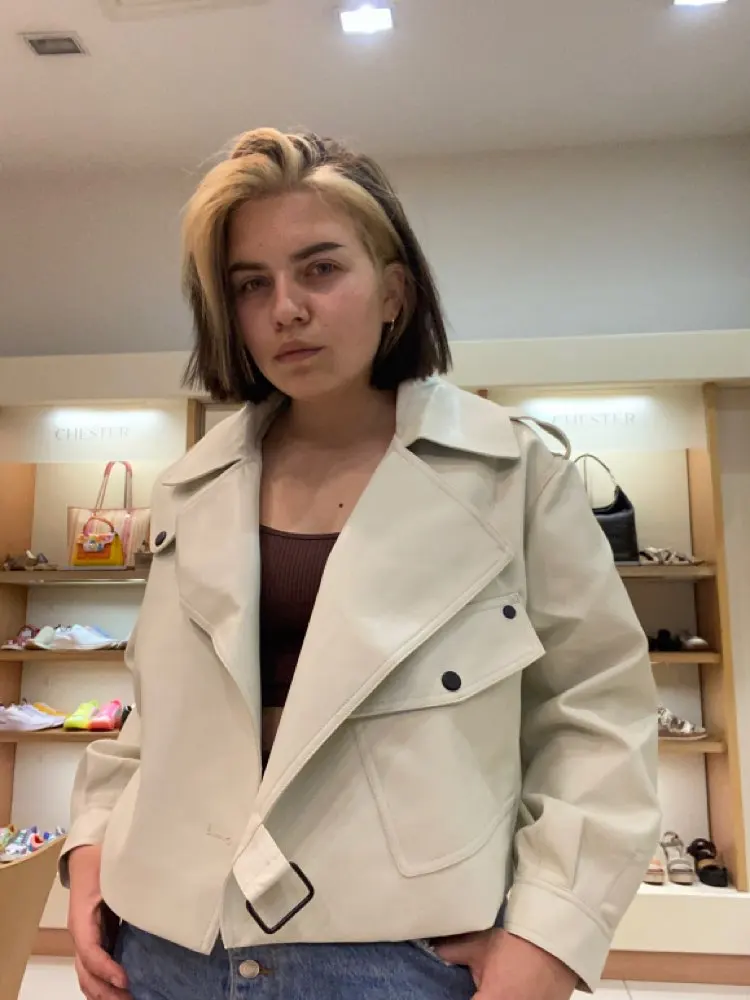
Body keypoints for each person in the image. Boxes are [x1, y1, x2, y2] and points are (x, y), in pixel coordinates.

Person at [63, 128, 660, 1000]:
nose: (286, 309)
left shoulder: (513, 475)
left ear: (393, 293)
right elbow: (154, 716)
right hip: (166, 943)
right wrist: (90, 850)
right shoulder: (190, 488)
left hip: (399, 955)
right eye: (251, 284)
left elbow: (596, 713)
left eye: (320, 269)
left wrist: (550, 937)